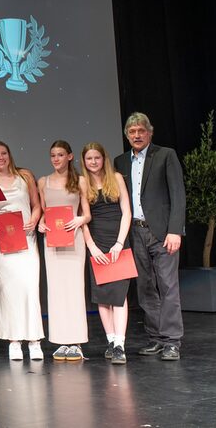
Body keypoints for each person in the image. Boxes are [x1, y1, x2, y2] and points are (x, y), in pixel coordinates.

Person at [114, 112, 186, 361]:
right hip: (135, 232)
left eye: (141, 131)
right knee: (145, 288)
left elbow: (178, 195)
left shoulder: (165, 155)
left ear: (149, 132)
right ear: (127, 135)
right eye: (132, 132)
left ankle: (172, 341)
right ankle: (156, 338)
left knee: (167, 285)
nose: (136, 135)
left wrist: (175, 230)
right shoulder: (120, 162)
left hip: (162, 233)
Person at [0, 141, 44, 361]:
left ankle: (34, 340)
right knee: (8, 293)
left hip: (26, 239)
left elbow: (36, 204)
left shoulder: (25, 176)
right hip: (1, 244)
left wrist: (35, 219)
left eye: (3, 153)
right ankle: (14, 341)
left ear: (9, 154)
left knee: (29, 288)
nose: (0, 158)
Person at [37, 140, 91, 362]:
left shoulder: (80, 181)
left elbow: (87, 213)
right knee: (57, 290)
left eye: (60, 155)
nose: (56, 159)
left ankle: (76, 341)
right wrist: (41, 223)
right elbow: (43, 211)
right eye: (53, 155)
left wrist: (80, 219)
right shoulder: (43, 181)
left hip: (74, 239)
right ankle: (60, 340)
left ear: (69, 156)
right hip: (52, 240)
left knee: (74, 289)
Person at [81, 142, 132, 364]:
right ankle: (111, 341)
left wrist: (120, 242)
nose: (93, 162)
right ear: (83, 161)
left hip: (118, 242)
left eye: (97, 158)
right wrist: (91, 246)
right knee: (103, 296)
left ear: (104, 159)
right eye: (89, 158)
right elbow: (82, 218)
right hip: (97, 242)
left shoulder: (117, 178)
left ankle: (120, 344)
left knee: (119, 295)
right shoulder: (81, 182)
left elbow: (127, 212)